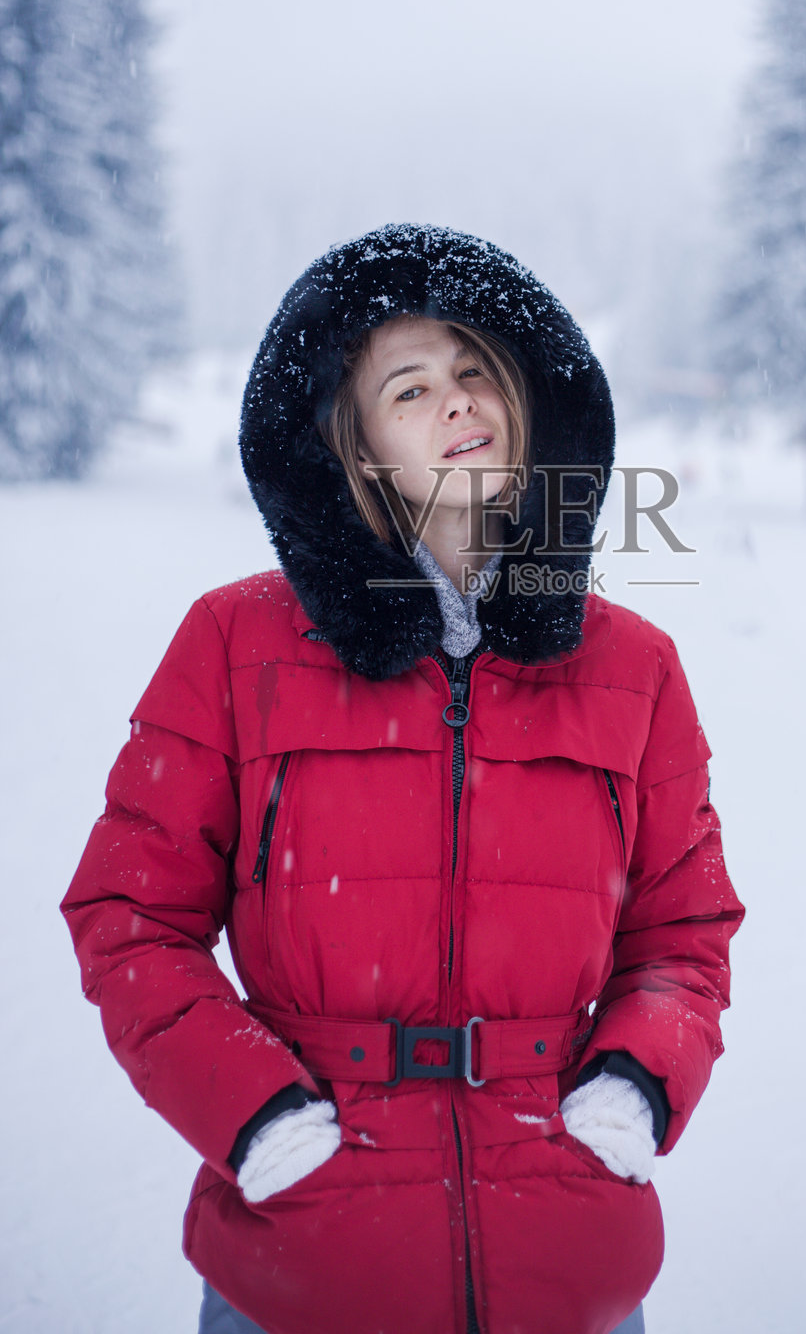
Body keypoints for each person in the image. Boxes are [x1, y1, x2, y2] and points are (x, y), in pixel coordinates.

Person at [61, 224, 744, 1334]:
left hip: (566, 1257)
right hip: (304, 1252)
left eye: (476, 371)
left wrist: (634, 1083)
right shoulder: (234, 645)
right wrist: (257, 1118)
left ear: (525, 404)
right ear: (361, 448)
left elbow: (684, 931)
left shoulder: (635, 668)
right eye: (410, 388)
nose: (456, 403)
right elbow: (128, 915)